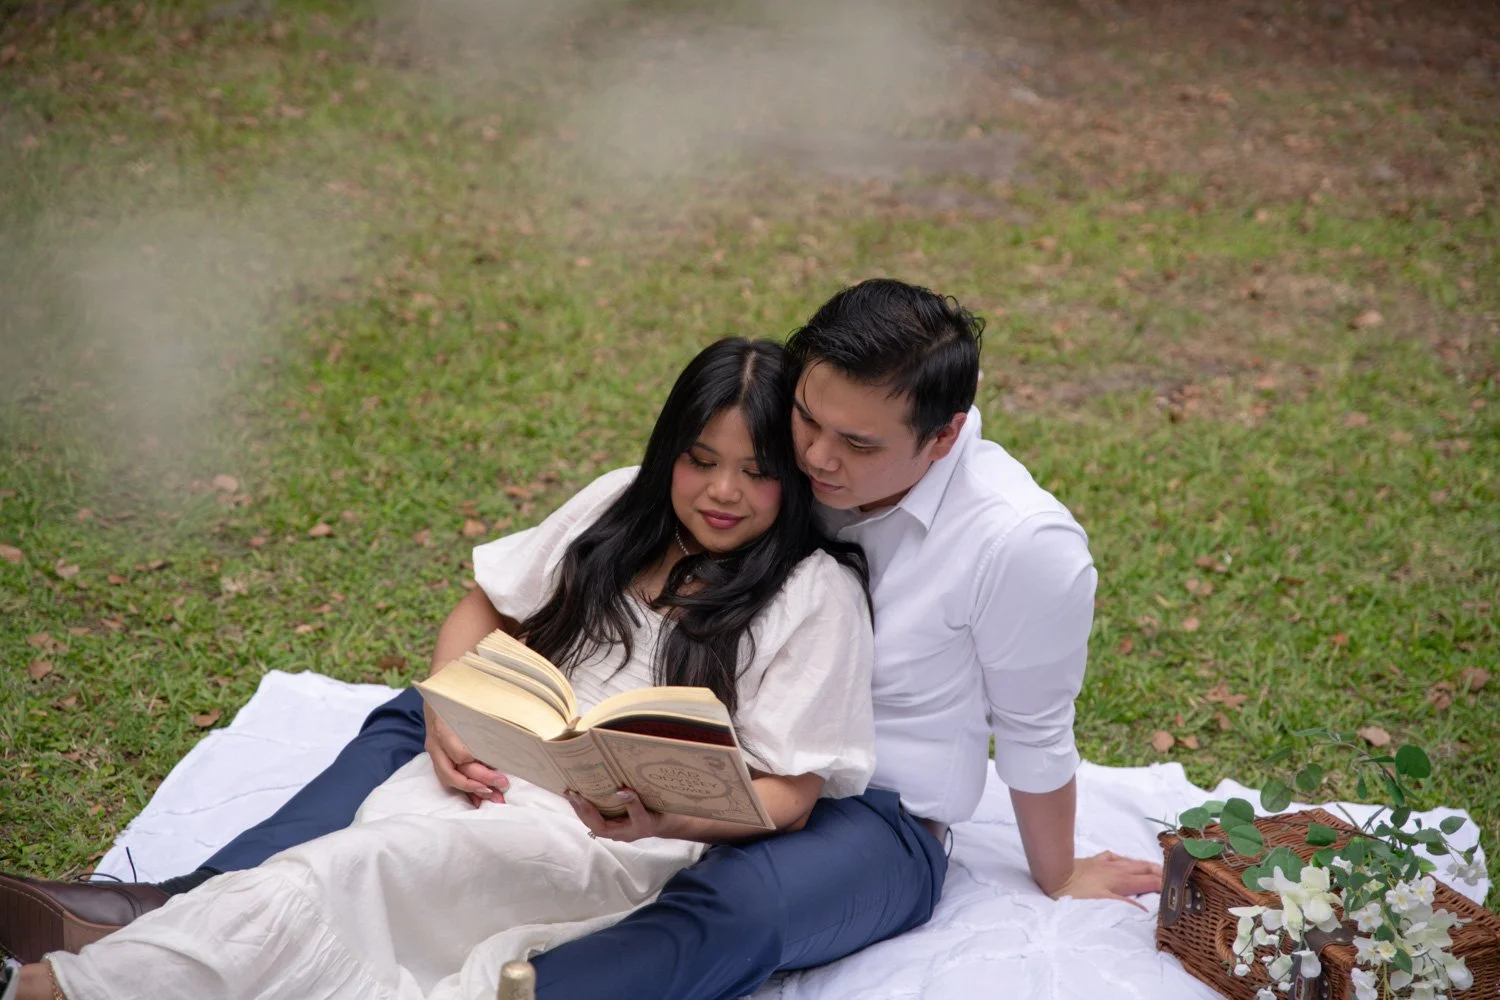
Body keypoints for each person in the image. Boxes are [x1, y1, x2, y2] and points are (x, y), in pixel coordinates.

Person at [2, 279, 1162, 1000]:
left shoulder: (1011, 547)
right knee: (416, 719)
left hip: (862, 803)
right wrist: (462, 706)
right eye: (804, 422)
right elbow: (504, 599)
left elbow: (1031, 725)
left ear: (944, 434)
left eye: (849, 446)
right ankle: (182, 909)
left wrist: (1056, 868)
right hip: (628, 768)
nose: (813, 460)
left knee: (733, 907)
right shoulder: (720, 480)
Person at [0, 338, 878, 1000]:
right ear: (667, 453)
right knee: (326, 869)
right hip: (487, 777)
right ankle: (93, 978)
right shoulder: (621, 506)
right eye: (701, 460)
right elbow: (485, 604)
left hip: (608, 839)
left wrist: (657, 813)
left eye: (756, 473)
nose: (722, 491)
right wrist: (445, 713)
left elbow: (791, 795)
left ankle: (62, 987)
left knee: (358, 871)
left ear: (793, 479)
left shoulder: (810, 594)